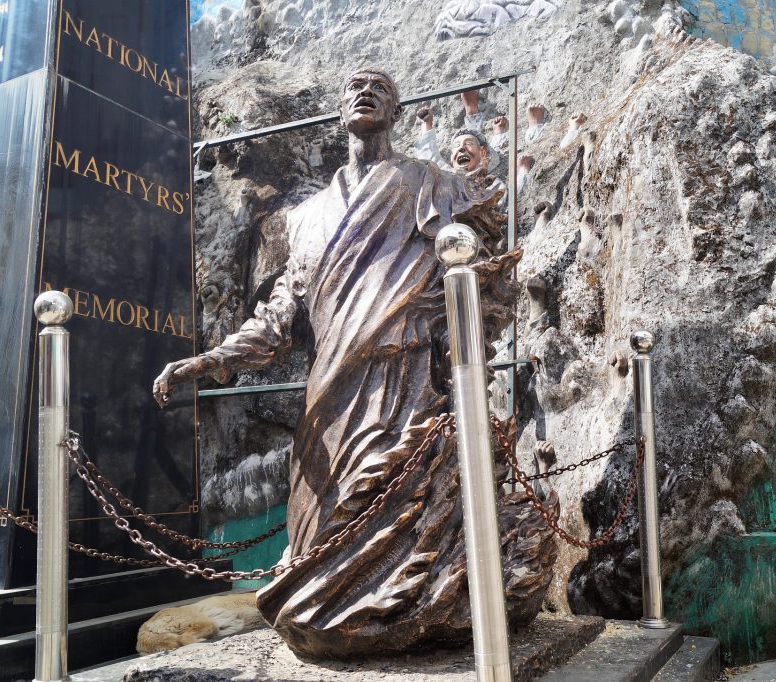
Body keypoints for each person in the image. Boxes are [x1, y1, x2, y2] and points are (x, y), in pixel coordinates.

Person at [152, 67, 556, 659]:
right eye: (354, 87)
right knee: (318, 540)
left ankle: (419, 601)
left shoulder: (432, 185)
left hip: (406, 383)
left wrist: (460, 351)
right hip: (330, 396)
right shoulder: (309, 217)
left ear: (396, 109)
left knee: (399, 508)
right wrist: (208, 361)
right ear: (339, 110)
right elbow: (279, 319)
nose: (365, 93)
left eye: (380, 88)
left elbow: (480, 279)